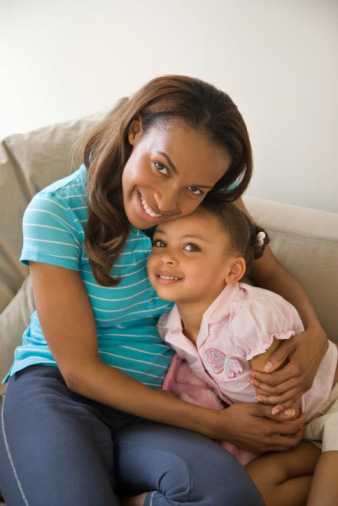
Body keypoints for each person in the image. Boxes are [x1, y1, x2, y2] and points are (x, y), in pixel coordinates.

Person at [0, 75, 327, 506]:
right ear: (135, 131)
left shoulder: (209, 207)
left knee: (231, 495)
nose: (168, 200)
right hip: (59, 392)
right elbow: (79, 371)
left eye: (194, 188)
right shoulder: (57, 211)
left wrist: (314, 336)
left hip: (151, 406)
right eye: (161, 166)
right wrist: (218, 425)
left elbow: (267, 268)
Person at [147, 200, 338, 506]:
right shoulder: (169, 328)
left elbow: (281, 402)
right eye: (160, 242)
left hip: (329, 405)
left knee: (325, 497)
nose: (167, 257)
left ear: (233, 270)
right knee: (251, 492)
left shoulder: (249, 316)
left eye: (191, 247)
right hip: (305, 431)